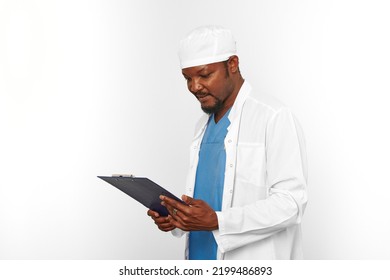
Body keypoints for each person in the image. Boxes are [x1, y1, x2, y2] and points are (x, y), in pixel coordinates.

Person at [147, 25, 308, 260]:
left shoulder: (273, 116)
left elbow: (292, 203)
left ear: (232, 64)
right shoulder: (202, 126)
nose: (194, 87)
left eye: (204, 75)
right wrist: (178, 218)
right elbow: (208, 197)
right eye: (187, 78)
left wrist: (219, 220)